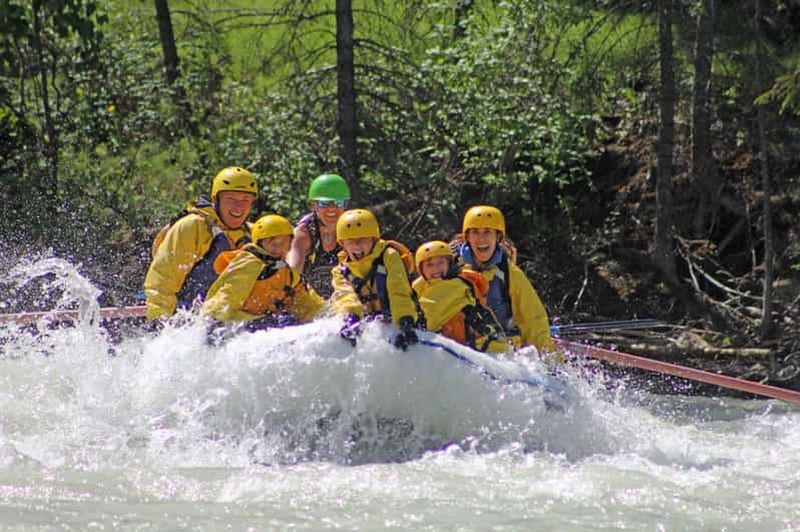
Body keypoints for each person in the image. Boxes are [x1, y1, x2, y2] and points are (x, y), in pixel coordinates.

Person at [143, 166, 258, 321]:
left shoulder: (254, 234)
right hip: (188, 319)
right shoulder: (193, 227)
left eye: (245, 200)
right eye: (231, 199)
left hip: (231, 322)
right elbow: (162, 280)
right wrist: (159, 324)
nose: (239, 207)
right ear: (216, 199)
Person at [456, 205, 555, 352]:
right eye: (475, 232)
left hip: (499, 352)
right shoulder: (451, 268)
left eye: (487, 232)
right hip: (460, 350)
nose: (481, 238)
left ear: (498, 237)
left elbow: (533, 321)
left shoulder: (511, 274)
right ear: (467, 237)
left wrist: (547, 361)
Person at [201, 214, 323, 328]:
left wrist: (326, 317)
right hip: (236, 326)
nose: (278, 248)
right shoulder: (249, 263)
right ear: (260, 243)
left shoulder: (288, 274)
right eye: (272, 242)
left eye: (284, 243)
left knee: (289, 321)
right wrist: (213, 320)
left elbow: (307, 305)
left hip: (259, 325)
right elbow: (227, 295)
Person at [329, 209, 419, 350]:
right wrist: (351, 318)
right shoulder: (340, 271)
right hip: (369, 325)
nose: (357, 245)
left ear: (374, 239)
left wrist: (405, 320)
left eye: (363, 239)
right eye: (351, 240)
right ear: (342, 243)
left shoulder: (389, 256)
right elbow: (345, 296)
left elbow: (398, 288)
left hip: (398, 319)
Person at [412, 241, 513, 353]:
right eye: (429, 265)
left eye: (441, 262)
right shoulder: (426, 288)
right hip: (474, 348)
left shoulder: (455, 285)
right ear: (421, 270)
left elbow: (428, 319)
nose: (436, 268)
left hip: (486, 349)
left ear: (449, 264)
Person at [286, 173, 351, 298]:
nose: (332, 209)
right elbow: (292, 275)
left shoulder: (353, 229)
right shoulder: (303, 234)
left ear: (346, 205)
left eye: (338, 203)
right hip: (308, 301)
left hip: (343, 300)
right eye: (324, 203)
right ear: (313, 205)